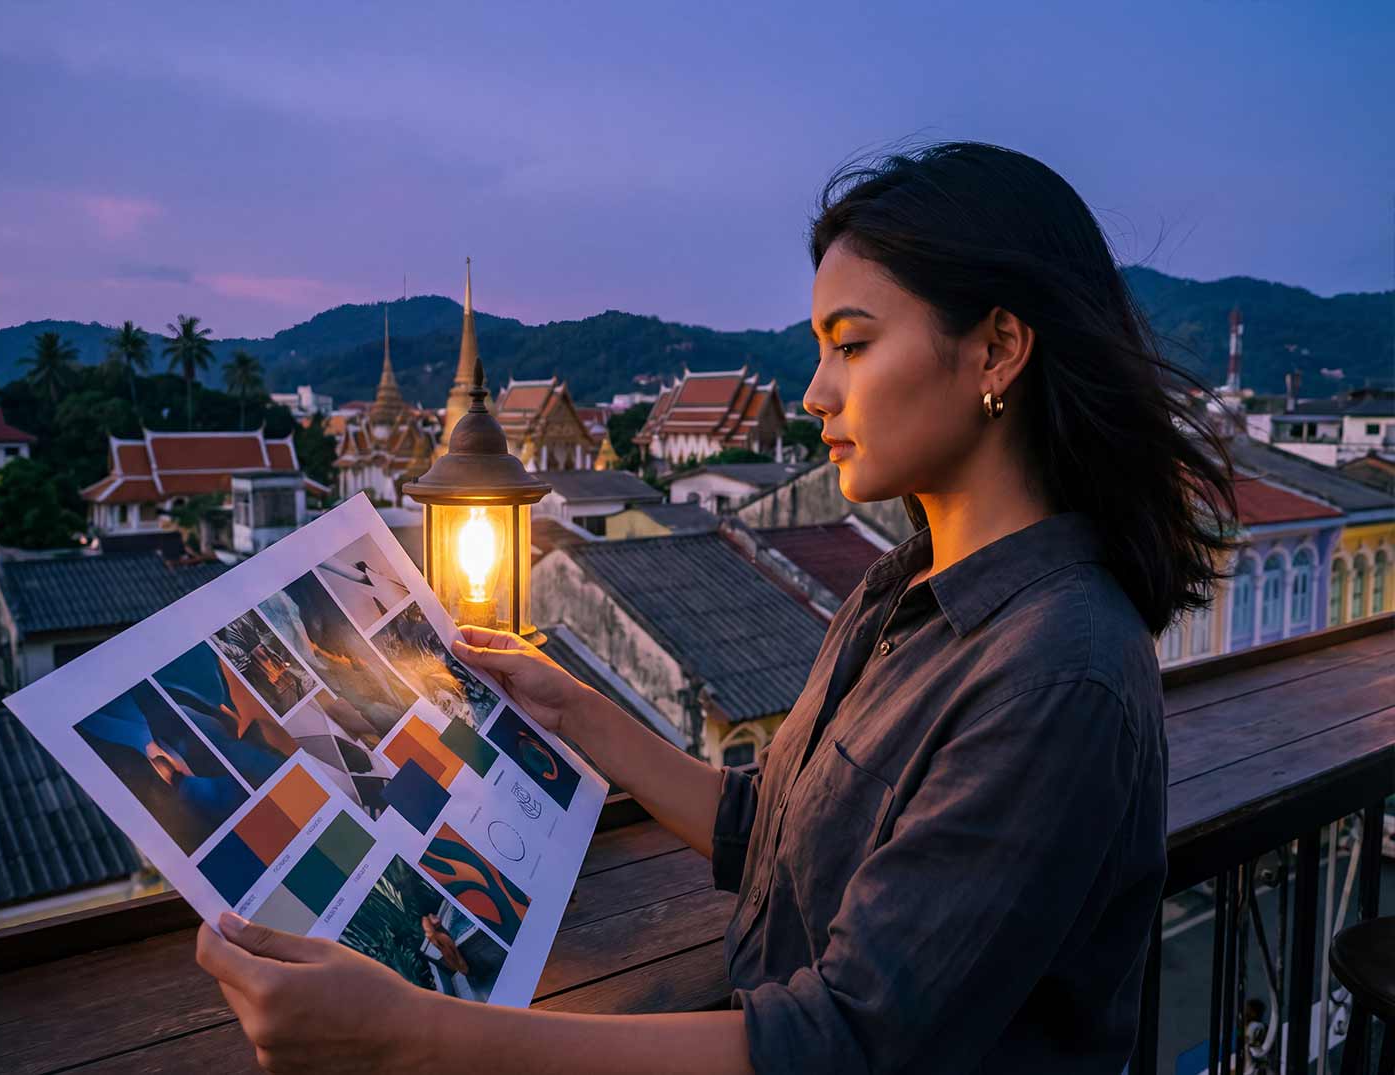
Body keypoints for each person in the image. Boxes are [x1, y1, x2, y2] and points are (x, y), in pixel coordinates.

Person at [195, 140, 1240, 1073]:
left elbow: (844, 1045)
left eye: (853, 343)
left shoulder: (1056, 674)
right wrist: (573, 709)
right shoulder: (903, 591)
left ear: (997, 349)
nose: (817, 392)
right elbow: (767, 830)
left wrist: (415, 1036)